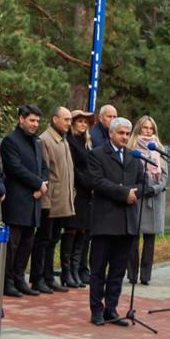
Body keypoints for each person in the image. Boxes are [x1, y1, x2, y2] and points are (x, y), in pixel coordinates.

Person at [83, 118, 152, 325]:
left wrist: (134, 193)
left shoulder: (134, 157)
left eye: (127, 133)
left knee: (118, 270)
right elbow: (97, 181)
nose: (124, 137)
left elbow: (145, 184)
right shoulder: (97, 154)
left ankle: (111, 309)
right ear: (111, 133)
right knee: (98, 269)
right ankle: (96, 309)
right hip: (105, 222)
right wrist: (124, 193)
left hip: (127, 222)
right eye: (121, 133)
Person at [0, 104, 49, 297]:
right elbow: (15, 168)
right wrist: (38, 184)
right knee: (13, 243)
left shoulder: (36, 142)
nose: (35, 124)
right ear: (21, 119)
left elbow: (44, 167)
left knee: (27, 243)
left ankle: (20, 278)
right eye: (32, 120)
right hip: (17, 200)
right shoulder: (10, 141)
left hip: (34, 201)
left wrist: (43, 184)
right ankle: (7, 281)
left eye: (37, 121)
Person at [32, 106, 75, 294]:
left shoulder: (63, 141)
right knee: (43, 240)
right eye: (66, 119)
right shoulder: (45, 140)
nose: (69, 123)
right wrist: (46, 201)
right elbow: (44, 172)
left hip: (62, 200)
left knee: (53, 240)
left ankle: (49, 277)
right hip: (50, 201)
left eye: (70, 120)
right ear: (55, 119)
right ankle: (38, 277)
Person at [61, 111, 97, 289]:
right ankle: (67, 272)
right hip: (76, 191)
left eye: (85, 122)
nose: (83, 125)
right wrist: (87, 182)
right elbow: (73, 168)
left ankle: (76, 270)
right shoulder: (70, 142)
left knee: (83, 233)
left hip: (87, 194)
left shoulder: (87, 143)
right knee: (71, 231)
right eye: (80, 121)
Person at [132, 116, 169, 286]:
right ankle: (132, 274)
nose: (148, 131)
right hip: (138, 197)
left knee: (150, 239)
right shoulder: (131, 147)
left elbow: (165, 175)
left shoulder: (159, 148)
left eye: (151, 128)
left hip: (154, 198)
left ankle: (145, 276)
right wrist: (140, 189)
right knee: (133, 237)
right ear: (139, 128)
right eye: (145, 128)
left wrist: (155, 188)